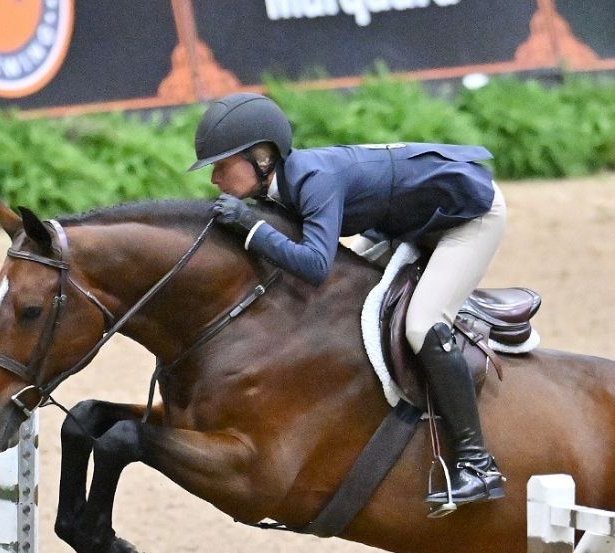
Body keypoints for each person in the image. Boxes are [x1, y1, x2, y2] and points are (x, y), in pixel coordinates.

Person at [188, 91, 508, 514]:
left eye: (222, 165)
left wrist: (249, 226)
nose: (214, 179)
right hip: (404, 223)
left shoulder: (312, 180)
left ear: (262, 158)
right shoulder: (279, 187)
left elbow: (316, 264)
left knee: (421, 323)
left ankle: (477, 464)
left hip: (469, 218)